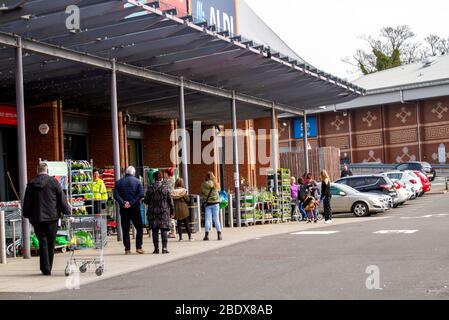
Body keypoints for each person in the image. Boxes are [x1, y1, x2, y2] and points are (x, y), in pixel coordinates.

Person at [22, 163, 71, 276]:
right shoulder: (54, 182)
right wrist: (66, 211)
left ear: (37, 170)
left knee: (43, 242)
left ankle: (45, 268)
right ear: (47, 170)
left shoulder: (31, 185)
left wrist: (27, 215)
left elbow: (27, 202)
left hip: (37, 219)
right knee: (51, 242)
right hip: (52, 218)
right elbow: (61, 198)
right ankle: (49, 266)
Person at [113, 166, 145, 255]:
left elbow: (116, 195)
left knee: (125, 229)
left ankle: (127, 249)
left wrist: (123, 203)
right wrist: (131, 202)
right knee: (139, 228)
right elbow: (141, 194)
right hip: (135, 208)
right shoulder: (137, 181)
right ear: (133, 173)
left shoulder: (119, 182)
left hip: (124, 209)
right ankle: (139, 247)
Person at [145, 171, 175, 254]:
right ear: (161, 178)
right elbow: (170, 201)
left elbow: (146, 201)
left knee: (155, 230)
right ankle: (164, 248)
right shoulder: (165, 188)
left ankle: (156, 249)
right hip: (164, 211)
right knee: (164, 230)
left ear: (154, 178)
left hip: (153, 212)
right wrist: (172, 211)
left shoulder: (150, 188)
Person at [201, 172, 222, 241]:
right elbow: (218, 191)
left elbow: (202, 193)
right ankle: (219, 235)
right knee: (216, 219)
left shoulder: (203, 185)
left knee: (207, 219)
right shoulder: (216, 184)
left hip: (208, 204)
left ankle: (206, 235)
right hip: (216, 203)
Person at [163, 168, 176, 239]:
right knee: (169, 215)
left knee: (170, 216)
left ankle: (172, 232)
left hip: (168, 200)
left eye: (165, 173)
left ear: (167, 174)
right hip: (168, 200)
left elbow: (166, 190)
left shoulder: (169, 181)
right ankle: (170, 231)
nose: (164, 174)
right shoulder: (169, 180)